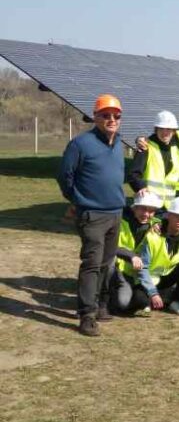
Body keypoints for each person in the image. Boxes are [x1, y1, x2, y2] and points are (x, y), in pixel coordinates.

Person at [58, 93, 126, 336]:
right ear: (94, 117)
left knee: (107, 264)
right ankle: (86, 314)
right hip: (92, 215)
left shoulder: (118, 143)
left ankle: (99, 305)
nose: (111, 119)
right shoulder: (80, 144)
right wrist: (78, 200)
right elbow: (65, 177)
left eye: (116, 115)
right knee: (92, 264)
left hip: (116, 212)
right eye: (105, 115)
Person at [130, 196, 179, 317]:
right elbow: (142, 269)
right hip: (148, 279)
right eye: (177, 216)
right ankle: (158, 298)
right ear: (169, 215)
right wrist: (153, 293)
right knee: (139, 300)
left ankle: (175, 301)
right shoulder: (153, 235)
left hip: (166, 277)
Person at [109, 191, 163, 314]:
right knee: (122, 304)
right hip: (120, 271)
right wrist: (131, 256)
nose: (146, 214)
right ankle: (107, 294)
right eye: (143, 209)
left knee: (137, 301)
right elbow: (110, 246)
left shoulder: (157, 225)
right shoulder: (120, 223)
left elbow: (175, 222)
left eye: (151, 211)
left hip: (140, 275)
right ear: (134, 208)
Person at [127, 110, 179, 209]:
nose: (165, 132)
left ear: (174, 131)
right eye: (161, 129)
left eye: (168, 129)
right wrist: (141, 187)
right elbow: (133, 174)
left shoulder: (176, 148)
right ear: (156, 130)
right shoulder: (146, 147)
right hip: (150, 205)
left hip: (170, 206)